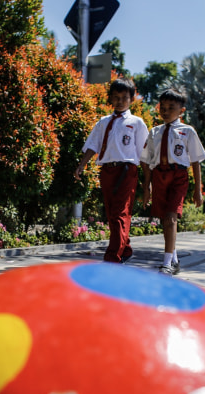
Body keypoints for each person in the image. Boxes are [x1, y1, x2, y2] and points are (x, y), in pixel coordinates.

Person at [75, 78, 149, 263]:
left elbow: (144, 154)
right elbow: (93, 145)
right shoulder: (103, 122)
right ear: (110, 99)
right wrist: (81, 165)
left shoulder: (136, 123)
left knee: (119, 214)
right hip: (107, 171)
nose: (120, 101)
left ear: (132, 99)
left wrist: (147, 182)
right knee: (111, 213)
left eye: (124, 97)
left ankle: (112, 258)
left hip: (127, 171)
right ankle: (125, 248)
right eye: (116, 97)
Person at [140, 88, 205, 275]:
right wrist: (147, 187)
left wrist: (197, 190)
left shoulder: (187, 131)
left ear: (181, 111)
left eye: (171, 107)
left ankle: (166, 263)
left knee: (171, 217)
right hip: (159, 176)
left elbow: (196, 160)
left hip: (178, 177)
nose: (166, 111)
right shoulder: (154, 132)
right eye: (163, 107)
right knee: (165, 220)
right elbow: (145, 160)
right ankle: (174, 258)